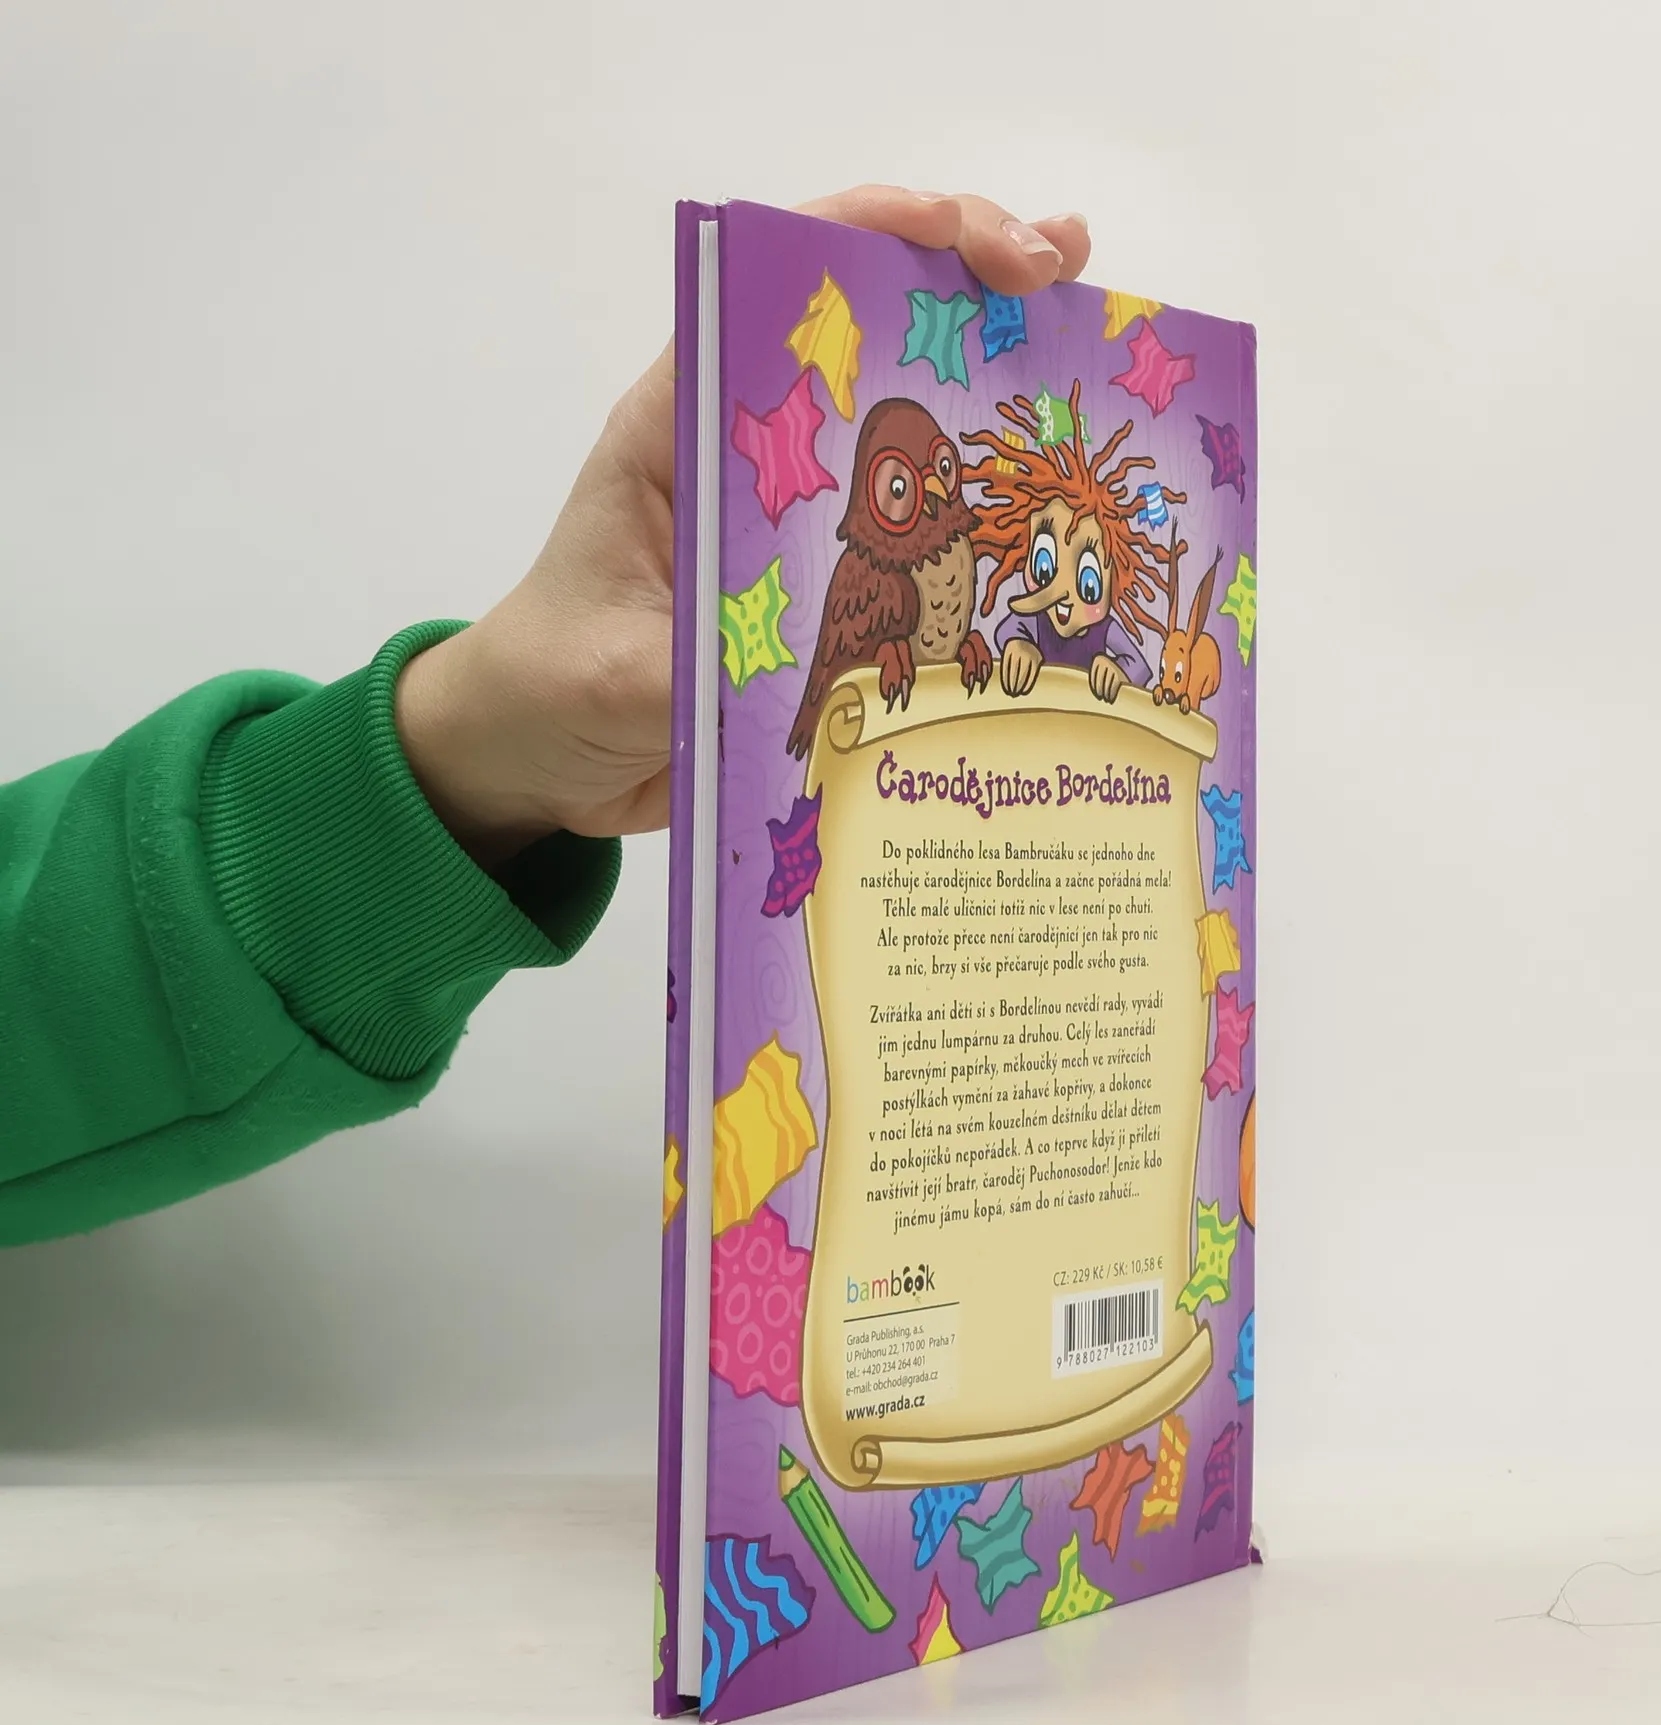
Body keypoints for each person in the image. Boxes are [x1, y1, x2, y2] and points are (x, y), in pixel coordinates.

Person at [0, 187, 1092, 1249]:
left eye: (937, 480)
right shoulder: (871, 574)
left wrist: (457, 761)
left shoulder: (961, 554)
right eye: (906, 486)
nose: (931, 498)